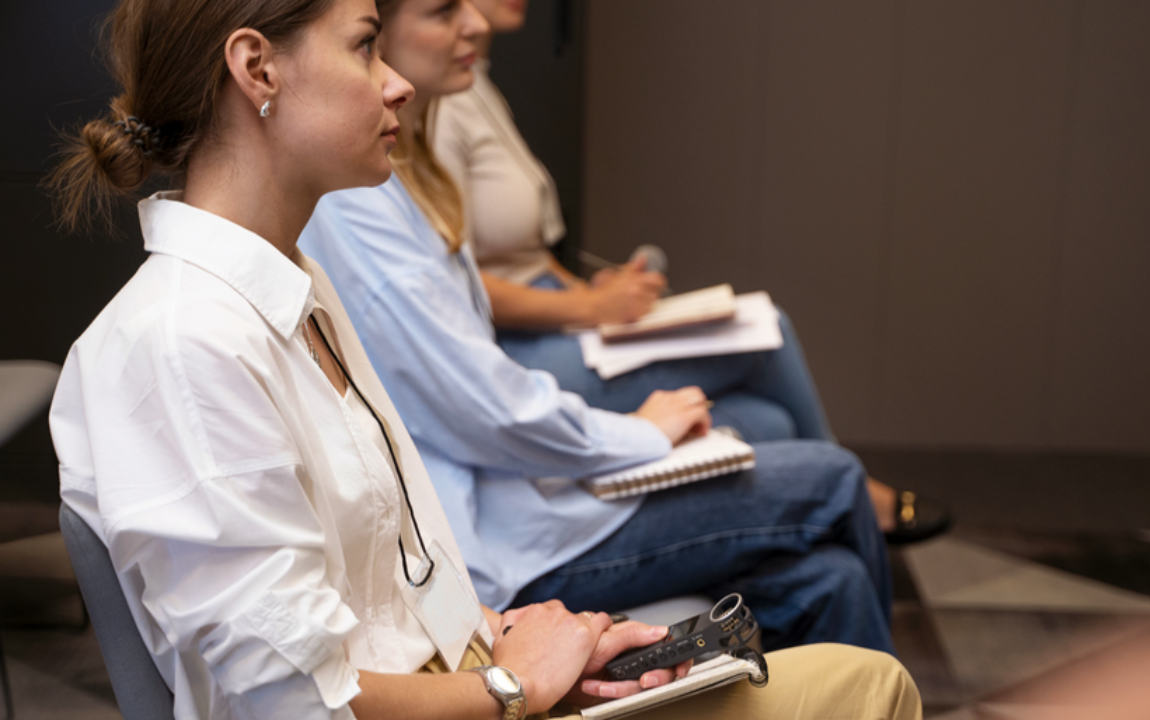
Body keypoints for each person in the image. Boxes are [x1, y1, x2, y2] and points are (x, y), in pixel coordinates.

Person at [46, 0, 922, 718]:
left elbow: (375, 602)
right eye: (363, 46)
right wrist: (511, 686)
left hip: (474, 684)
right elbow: (297, 705)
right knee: (867, 682)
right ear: (257, 69)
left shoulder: (293, 285)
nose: (393, 83)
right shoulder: (180, 342)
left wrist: (514, 642)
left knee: (840, 650)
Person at [300, 0, 896, 656]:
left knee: (831, 580)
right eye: (368, 47)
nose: (475, 24)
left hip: (522, 501)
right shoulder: (356, 202)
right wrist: (639, 434)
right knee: (834, 477)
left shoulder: (407, 174)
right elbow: (483, 408)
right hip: (498, 546)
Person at [430, 0, 949, 543]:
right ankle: (852, 493)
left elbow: (521, 253)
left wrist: (591, 290)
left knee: (766, 419)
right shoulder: (436, 112)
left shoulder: (477, 86)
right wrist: (589, 309)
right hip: (515, 350)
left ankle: (808, 529)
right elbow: (459, 282)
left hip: (553, 318)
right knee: (764, 330)